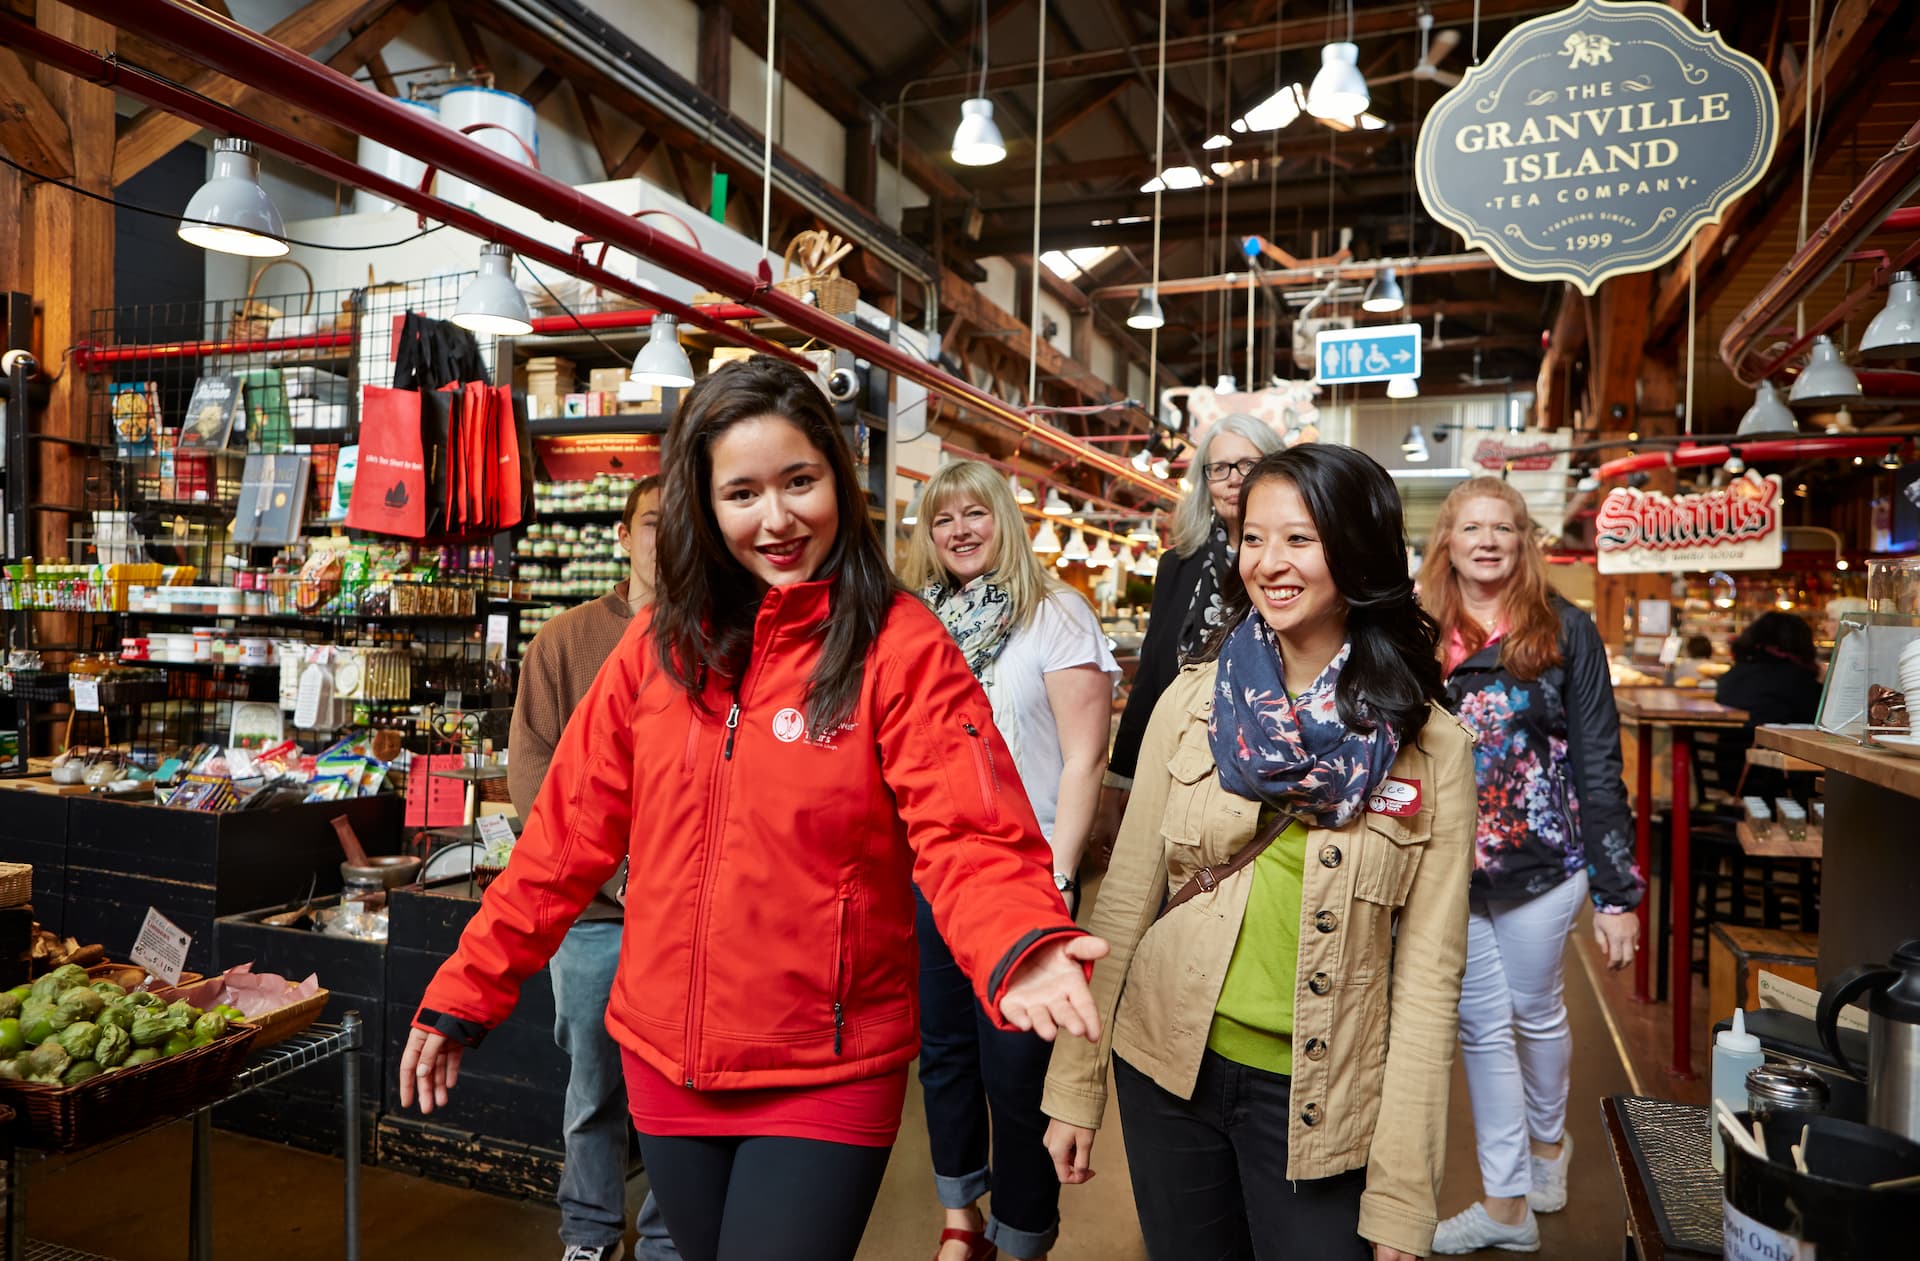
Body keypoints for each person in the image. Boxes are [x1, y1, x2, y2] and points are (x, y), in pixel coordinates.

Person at [400, 356, 1107, 1261]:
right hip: (665, 1062)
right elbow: (560, 845)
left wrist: (1023, 940)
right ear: (704, 503)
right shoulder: (654, 651)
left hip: (823, 1069)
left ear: (838, 485)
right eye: (742, 492)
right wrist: (467, 990)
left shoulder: (896, 642)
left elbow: (967, 826)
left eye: (799, 481)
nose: (775, 519)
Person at [1043, 445, 1477, 1261]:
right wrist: (1074, 1086)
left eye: (1300, 540)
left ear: (1356, 550)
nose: (1268, 564)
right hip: (1167, 1071)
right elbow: (1126, 900)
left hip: (1321, 1092)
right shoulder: (1192, 698)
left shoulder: (1429, 744)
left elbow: (1427, 982)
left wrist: (1402, 1200)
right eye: (1253, 538)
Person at [900, 460, 1120, 1261]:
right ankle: (962, 1216)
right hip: (934, 869)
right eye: (942, 518)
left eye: (975, 514)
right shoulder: (919, 621)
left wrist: (1059, 874)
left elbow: (1084, 756)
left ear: (1005, 520)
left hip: (1026, 873)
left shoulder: (1055, 613)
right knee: (946, 1054)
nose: (959, 530)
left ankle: (1022, 1233)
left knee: (1015, 1067)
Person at [1417, 477, 1644, 1255]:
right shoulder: (1418, 633)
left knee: (1534, 1010)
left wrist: (1618, 892)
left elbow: (1598, 760)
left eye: (1503, 528)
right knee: (1481, 1025)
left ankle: (1551, 1148)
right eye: (1471, 526)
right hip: (1446, 866)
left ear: (1523, 541)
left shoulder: (1566, 630)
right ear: (1447, 540)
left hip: (1546, 867)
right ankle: (1507, 1204)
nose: (1487, 540)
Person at [509, 477, 677, 1261]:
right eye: (651, 522)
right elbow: (533, 775)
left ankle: (669, 1236)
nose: (665, 537)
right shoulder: (566, 640)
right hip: (595, 918)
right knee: (594, 1086)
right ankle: (588, 1230)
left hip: (685, 914)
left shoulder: (718, 639)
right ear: (622, 534)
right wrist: (614, 873)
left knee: (681, 1092)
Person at [1088, 413, 1286, 863]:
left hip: (1270, 777)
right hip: (1178, 767)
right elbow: (1153, 677)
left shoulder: (1300, 559)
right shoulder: (1179, 565)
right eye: (1220, 469)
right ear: (1205, 480)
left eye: (1249, 465)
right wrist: (1116, 788)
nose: (1233, 480)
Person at [1715, 611, 1823, 799]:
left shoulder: (1731, 675)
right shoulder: (1797, 680)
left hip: (1730, 775)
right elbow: (1823, 723)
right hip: (1779, 782)